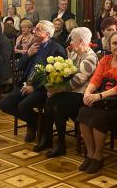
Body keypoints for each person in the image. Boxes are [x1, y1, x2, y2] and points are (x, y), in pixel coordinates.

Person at [76, 31, 117, 174]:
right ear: (109, 45)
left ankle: (98, 156)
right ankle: (90, 153)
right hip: (104, 98)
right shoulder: (105, 59)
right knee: (83, 112)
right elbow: (96, 79)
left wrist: (98, 97)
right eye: (114, 43)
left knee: (99, 117)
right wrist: (87, 93)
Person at [0, 20, 66, 144]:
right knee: (4, 104)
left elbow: (56, 76)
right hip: (25, 84)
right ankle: (39, 123)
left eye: (38, 30)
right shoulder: (34, 45)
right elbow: (19, 66)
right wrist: (28, 54)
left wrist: (34, 88)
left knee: (23, 105)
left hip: (42, 89)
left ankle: (33, 126)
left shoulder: (57, 49)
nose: (34, 31)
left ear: (47, 34)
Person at [38, 27, 98, 157]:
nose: (70, 43)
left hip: (82, 94)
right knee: (49, 104)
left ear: (81, 41)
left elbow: (78, 81)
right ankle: (47, 138)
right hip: (71, 92)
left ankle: (61, 145)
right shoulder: (75, 54)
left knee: (58, 107)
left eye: (73, 40)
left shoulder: (90, 57)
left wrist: (57, 89)